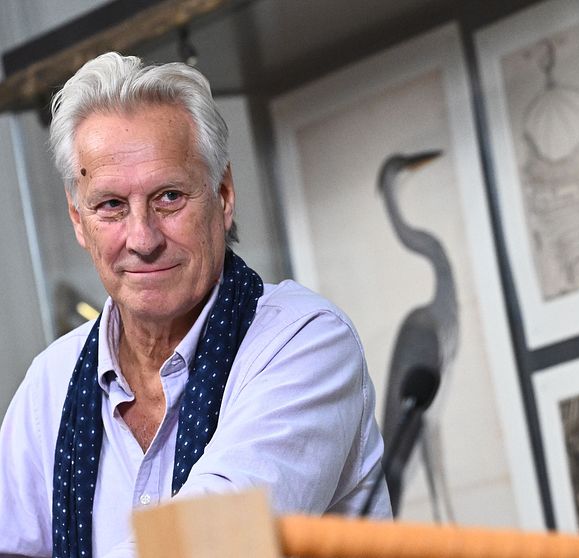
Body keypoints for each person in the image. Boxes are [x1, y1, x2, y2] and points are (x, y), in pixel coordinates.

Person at [0, 52, 390, 558]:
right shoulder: (49, 386)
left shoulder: (306, 342)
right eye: (111, 205)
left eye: (168, 197)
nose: (142, 239)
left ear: (223, 195)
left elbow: (217, 541)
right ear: (79, 219)